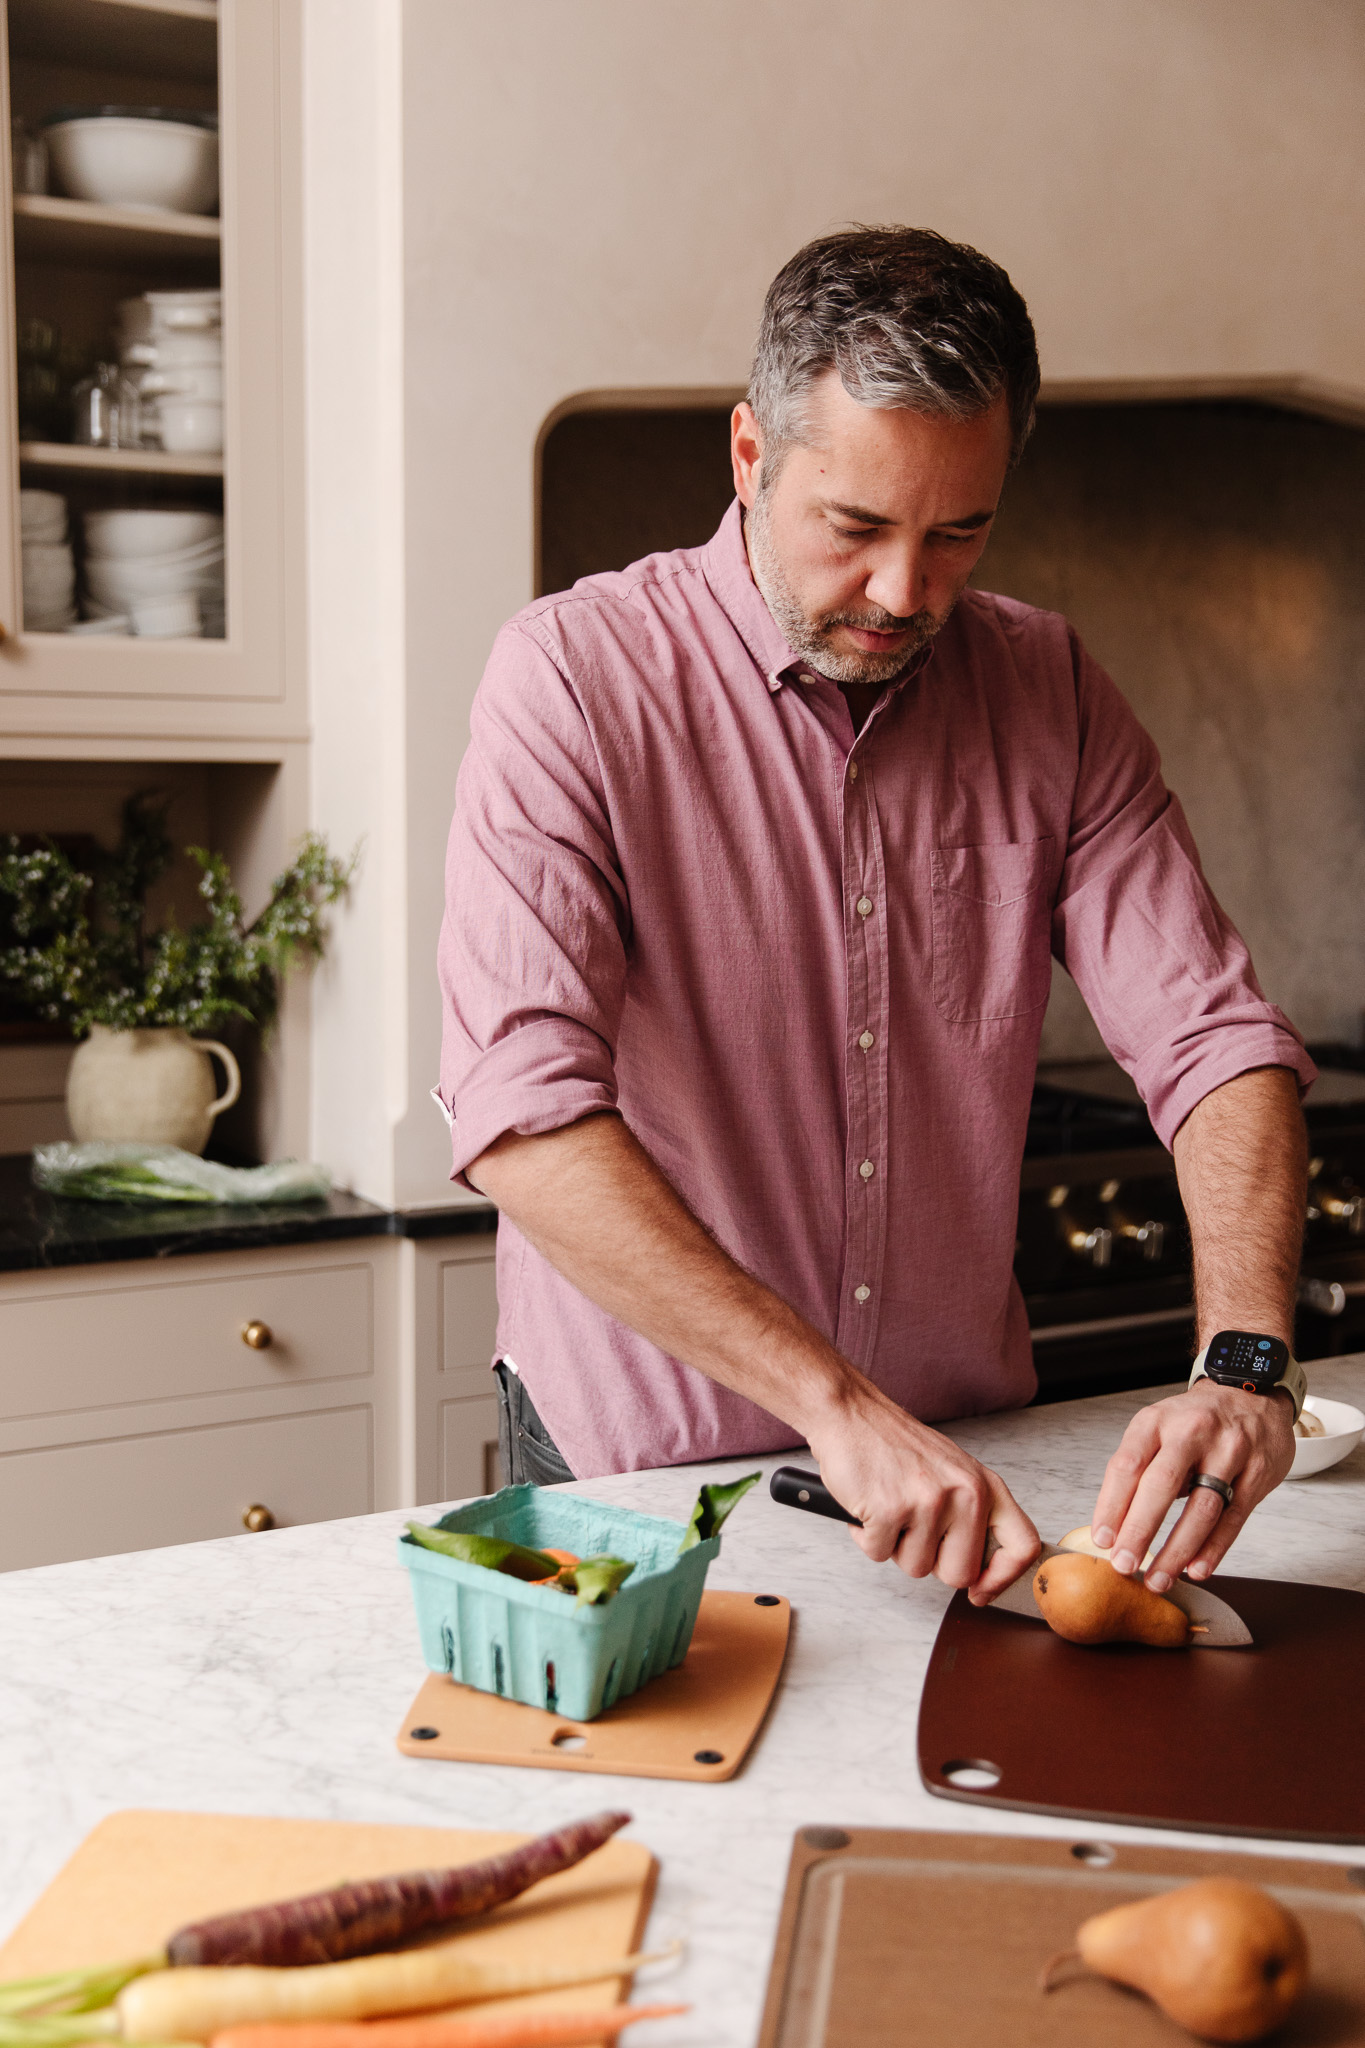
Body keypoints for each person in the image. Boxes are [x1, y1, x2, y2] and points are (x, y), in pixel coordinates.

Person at [437, 225, 1313, 1606]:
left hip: (962, 1470)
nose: (906, 593)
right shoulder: (571, 680)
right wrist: (832, 1405)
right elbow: (522, 1117)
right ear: (749, 458)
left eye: (956, 532)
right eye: (853, 528)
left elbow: (1213, 1039)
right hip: (648, 1474)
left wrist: (1242, 1362)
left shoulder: (1047, 688)